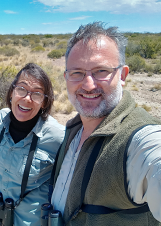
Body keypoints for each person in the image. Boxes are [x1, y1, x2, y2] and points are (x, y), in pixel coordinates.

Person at [49, 22, 161, 225]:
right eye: (77, 73)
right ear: (66, 77)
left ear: (123, 75)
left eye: (101, 71)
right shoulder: (73, 129)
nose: (88, 84)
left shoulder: (139, 142)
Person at [0, 63, 65, 226]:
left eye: (37, 94)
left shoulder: (58, 136)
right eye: (21, 89)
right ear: (12, 92)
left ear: (44, 102)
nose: (27, 99)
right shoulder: (0, 120)